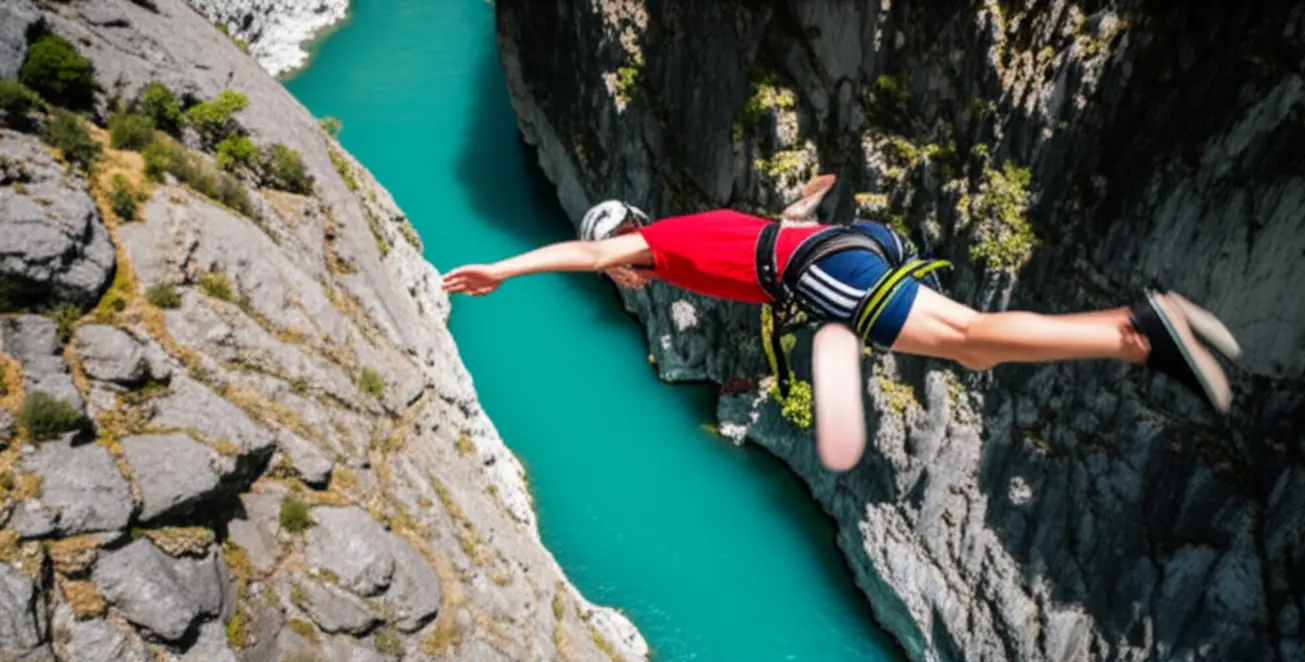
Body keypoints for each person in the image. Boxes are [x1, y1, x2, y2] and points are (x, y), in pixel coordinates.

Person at [441, 175, 1241, 469]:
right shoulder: (688, 233)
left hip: (819, 271)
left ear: (620, 243)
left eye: (612, 260)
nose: (616, 272)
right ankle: (1128, 328)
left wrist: (499, 272)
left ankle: (1133, 334)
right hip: (835, 249)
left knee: (967, 343)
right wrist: (805, 203)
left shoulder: (655, 246)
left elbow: (582, 261)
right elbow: (773, 225)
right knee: (975, 352)